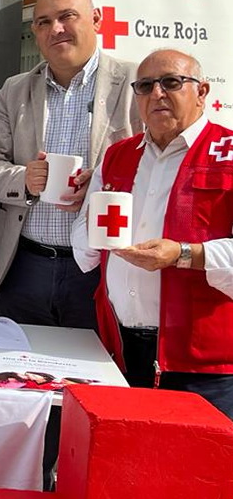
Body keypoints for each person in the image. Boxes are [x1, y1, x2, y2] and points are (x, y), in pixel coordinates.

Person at [72, 49, 233, 420]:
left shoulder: (228, 153)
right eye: (145, 86)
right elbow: (84, 240)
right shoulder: (117, 155)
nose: (157, 93)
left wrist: (182, 254)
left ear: (202, 91)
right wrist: (95, 233)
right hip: (120, 351)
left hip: (203, 366)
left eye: (171, 82)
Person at [0, 0, 141, 329]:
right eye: (43, 22)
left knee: (93, 362)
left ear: (96, 20)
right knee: (17, 359)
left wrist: (100, 184)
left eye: (67, 16)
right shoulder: (15, 90)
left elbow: (161, 167)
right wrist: (24, 179)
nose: (56, 29)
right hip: (24, 268)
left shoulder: (137, 83)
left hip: (102, 266)